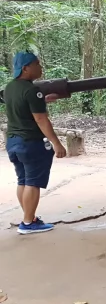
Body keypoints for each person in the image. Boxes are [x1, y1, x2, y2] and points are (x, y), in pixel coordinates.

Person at [4, 51, 67, 234]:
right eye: (37, 64)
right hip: (30, 143)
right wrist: (57, 143)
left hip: (13, 142)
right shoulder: (32, 90)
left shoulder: (9, 88)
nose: (41, 67)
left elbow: (21, 106)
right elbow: (41, 120)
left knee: (23, 180)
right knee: (32, 182)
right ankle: (28, 224)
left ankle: (28, 217)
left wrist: (43, 100)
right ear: (25, 68)